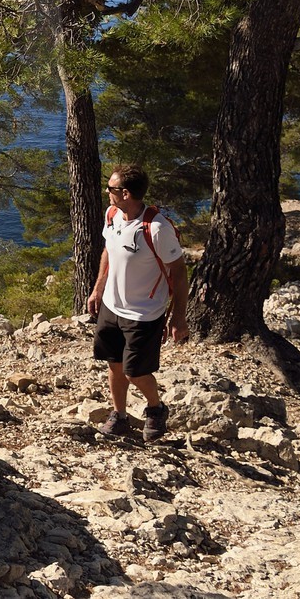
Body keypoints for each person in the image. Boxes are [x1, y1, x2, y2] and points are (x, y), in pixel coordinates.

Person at [85, 164, 188, 442]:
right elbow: (108, 251)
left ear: (126, 193)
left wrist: (179, 317)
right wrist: (97, 290)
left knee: (135, 372)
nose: (107, 192)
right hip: (111, 306)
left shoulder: (156, 228)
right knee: (114, 364)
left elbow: (179, 271)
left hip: (144, 313)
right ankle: (119, 415)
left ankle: (155, 409)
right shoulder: (112, 215)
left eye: (111, 188)